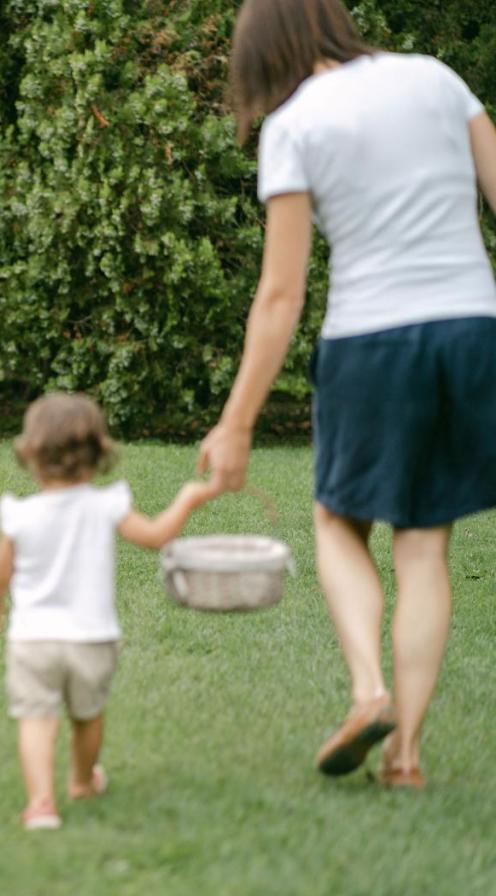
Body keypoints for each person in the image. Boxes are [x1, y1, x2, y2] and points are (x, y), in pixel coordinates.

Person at [198, 0, 496, 790]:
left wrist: (236, 426)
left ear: (266, 48)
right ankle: (405, 758)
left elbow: (280, 296)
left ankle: (370, 693)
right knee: (425, 543)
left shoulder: (294, 125)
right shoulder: (438, 80)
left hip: (372, 339)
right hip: (470, 331)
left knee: (338, 520)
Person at [0, 392, 217, 830]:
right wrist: (187, 499)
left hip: (32, 638)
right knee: (87, 714)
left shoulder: (21, 514)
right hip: (91, 637)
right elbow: (154, 536)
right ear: (98, 454)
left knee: (36, 718)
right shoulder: (106, 504)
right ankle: (82, 781)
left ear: (32, 455)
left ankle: (40, 804)